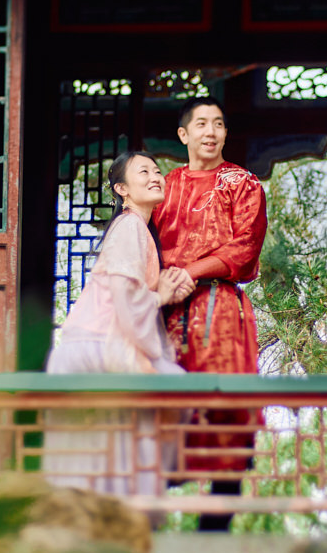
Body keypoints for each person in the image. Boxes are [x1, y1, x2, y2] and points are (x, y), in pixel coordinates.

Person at [44, 150, 190, 497]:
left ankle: (103, 519)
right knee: (174, 388)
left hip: (91, 347)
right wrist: (161, 297)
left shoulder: (136, 228)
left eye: (157, 171)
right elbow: (126, 296)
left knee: (97, 453)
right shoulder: (129, 227)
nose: (156, 176)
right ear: (122, 188)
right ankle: (132, 506)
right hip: (96, 348)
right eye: (144, 172)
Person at [154, 98, 268, 529]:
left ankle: (216, 523)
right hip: (165, 310)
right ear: (183, 134)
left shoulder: (242, 183)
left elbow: (244, 249)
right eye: (201, 123)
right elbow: (143, 243)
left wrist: (190, 271)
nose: (211, 131)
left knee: (225, 404)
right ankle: (147, 522)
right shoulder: (163, 186)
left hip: (218, 312)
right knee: (161, 405)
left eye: (218, 123)